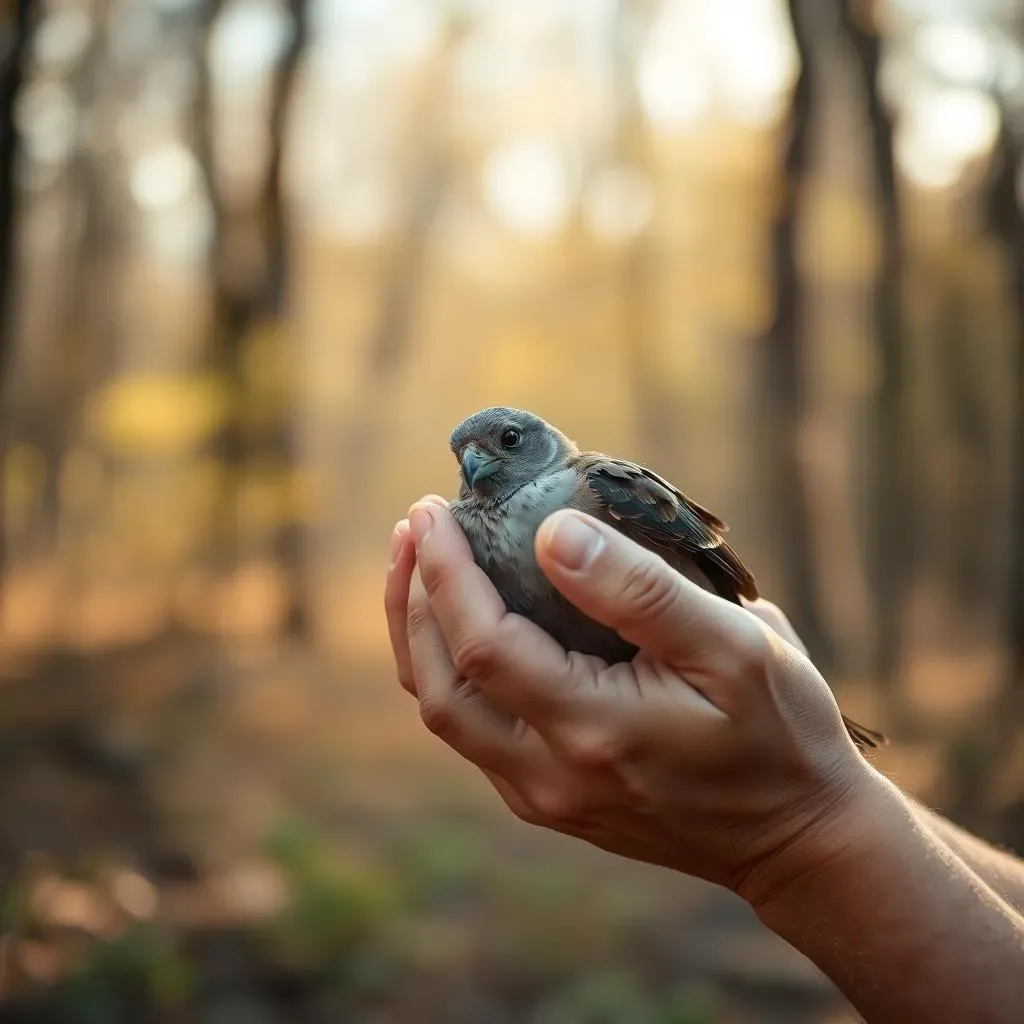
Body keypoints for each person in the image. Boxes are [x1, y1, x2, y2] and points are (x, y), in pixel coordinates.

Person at [384, 495, 1024, 1023]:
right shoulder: (471, 532)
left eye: (506, 442)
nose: (481, 464)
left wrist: (804, 827)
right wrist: (831, 791)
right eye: (465, 454)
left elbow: (723, 573)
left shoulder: (597, 483)